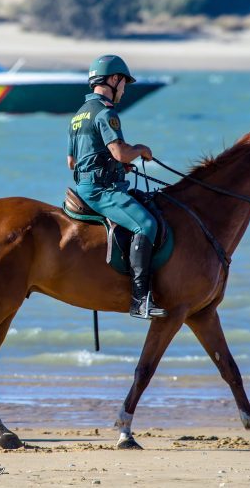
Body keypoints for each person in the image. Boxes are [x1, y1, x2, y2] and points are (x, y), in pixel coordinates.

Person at [67, 54, 166, 320]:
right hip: (101, 190)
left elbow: (72, 161)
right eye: (123, 83)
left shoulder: (78, 115)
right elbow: (120, 152)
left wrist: (115, 166)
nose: (124, 89)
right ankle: (139, 300)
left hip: (85, 185)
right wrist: (140, 150)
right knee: (146, 225)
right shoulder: (106, 112)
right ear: (113, 80)